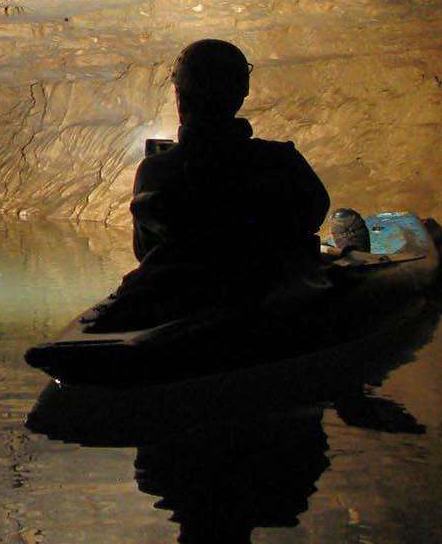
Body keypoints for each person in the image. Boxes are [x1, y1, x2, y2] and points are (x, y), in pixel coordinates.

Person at [97, 39, 329, 329]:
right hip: (268, 294)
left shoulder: (157, 169)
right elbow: (315, 212)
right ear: (240, 93)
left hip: (186, 298)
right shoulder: (280, 159)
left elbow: (145, 252)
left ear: (181, 95)